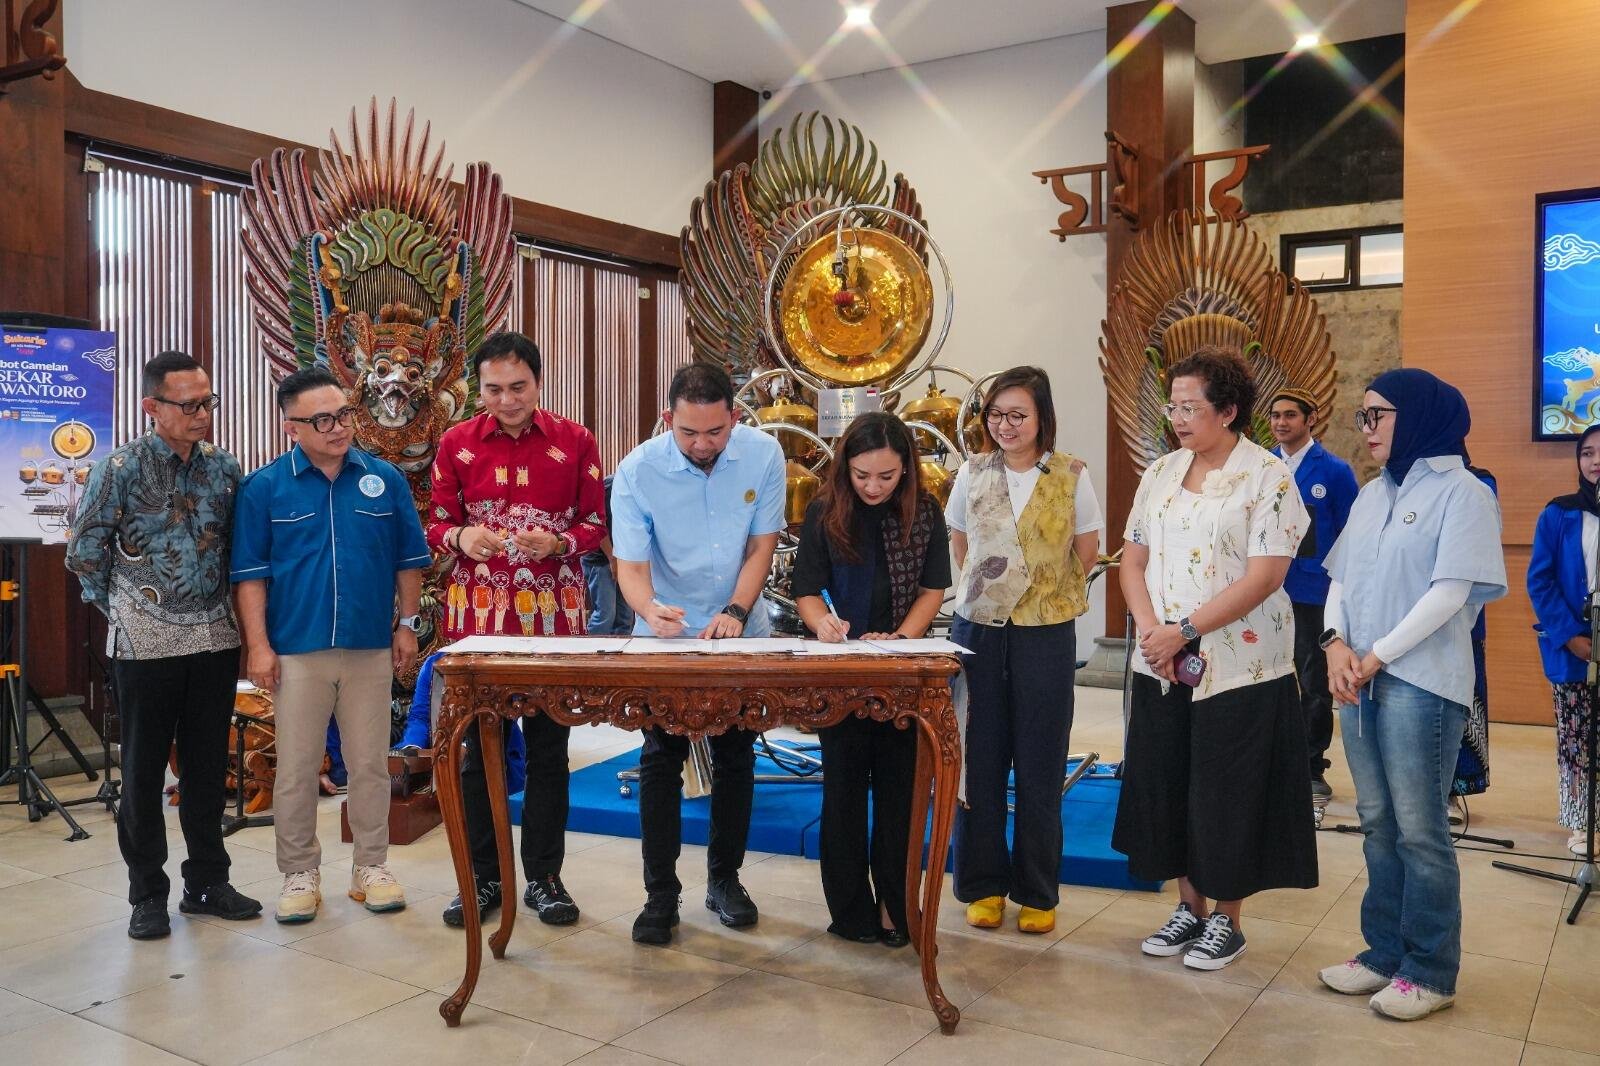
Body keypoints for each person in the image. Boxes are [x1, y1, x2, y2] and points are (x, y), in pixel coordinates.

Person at [1112, 345, 1316, 972]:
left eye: (1190, 406)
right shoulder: (1161, 473)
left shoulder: (1267, 476)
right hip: (1163, 660)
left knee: (1228, 792)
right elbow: (1132, 560)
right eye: (1172, 406)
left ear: (1228, 411)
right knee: (1170, 780)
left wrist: (1184, 630)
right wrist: (1153, 633)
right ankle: (1187, 907)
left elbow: (1266, 575)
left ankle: (1227, 919)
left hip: (1241, 663)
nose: (1177, 417)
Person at [1316, 368, 1506, 1020]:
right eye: (1362, 416)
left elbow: (1450, 593)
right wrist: (1335, 643)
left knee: (1421, 830)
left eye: (1378, 415)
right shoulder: (1372, 494)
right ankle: (1382, 954)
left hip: (1420, 683)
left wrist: (1373, 657)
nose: (1364, 428)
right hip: (1360, 677)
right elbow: (1337, 577)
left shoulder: (1465, 493)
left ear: (1419, 415)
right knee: (1377, 823)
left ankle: (1430, 968)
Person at [65, 351, 262, 940]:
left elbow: (238, 553)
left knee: (206, 769)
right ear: (152, 407)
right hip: (144, 645)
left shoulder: (225, 470)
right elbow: (84, 552)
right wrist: (128, 609)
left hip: (212, 639)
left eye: (209, 402)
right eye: (190, 404)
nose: (203, 414)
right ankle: (147, 894)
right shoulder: (118, 468)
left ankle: (207, 881)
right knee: (145, 773)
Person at [231, 365, 432, 924]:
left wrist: (406, 625)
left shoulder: (384, 479)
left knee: (369, 764)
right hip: (296, 651)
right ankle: (299, 873)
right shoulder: (265, 487)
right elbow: (251, 576)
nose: (338, 427)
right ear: (291, 427)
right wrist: (259, 647)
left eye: (343, 414)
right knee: (296, 768)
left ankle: (371, 868)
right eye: (322, 419)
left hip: (370, 647)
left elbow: (408, 562)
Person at [426, 332, 606, 928]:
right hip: (478, 614)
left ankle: (546, 877)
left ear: (537, 381)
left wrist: (558, 541)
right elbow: (436, 521)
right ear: (479, 388)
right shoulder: (455, 443)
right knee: (480, 747)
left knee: (552, 748)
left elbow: (596, 522)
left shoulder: (574, 441)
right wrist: (458, 538)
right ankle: (482, 878)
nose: (506, 400)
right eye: (493, 389)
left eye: (518, 387)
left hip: (553, 613)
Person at [611, 362, 785, 945]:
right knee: (663, 758)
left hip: (740, 623)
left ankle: (725, 879)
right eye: (690, 433)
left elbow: (762, 545)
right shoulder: (638, 470)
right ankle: (660, 895)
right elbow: (630, 566)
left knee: (737, 754)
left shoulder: (762, 455)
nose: (703, 444)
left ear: (733, 418)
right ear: (668, 420)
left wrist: (736, 611)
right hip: (668, 630)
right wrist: (650, 608)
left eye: (715, 432)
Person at [946, 366, 1102, 936]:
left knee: (1039, 764)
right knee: (978, 761)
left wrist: (1040, 596)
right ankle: (981, 886)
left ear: (1042, 419)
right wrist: (995, 592)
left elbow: (1087, 548)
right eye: (996, 415)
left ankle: (1038, 890)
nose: (1006, 425)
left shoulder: (1071, 475)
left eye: (1018, 414)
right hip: (979, 633)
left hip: (1046, 634)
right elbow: (961, 541)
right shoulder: (971, 472)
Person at [792, 413, 951, 946]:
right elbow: (808, 590)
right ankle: (850, 910)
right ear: (846, 469)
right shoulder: (824, 510)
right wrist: (823, 624)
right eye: (863, 476)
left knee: (900, 793)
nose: (874, 486)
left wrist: (904, 639)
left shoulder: (924, 512)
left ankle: (896, 907)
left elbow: (933, 588)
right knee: (842, 795)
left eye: (886, 476)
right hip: (844, 673)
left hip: (902, 672)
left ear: (906, 468)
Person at [1268, 387, 1359, 799]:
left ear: (1310, 419)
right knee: (1268, 676)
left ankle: (1311, 766)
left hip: (1313, 592)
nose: (1281, 422)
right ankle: (1270, 762)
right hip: (1265, 591)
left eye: (1290, 415)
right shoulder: (1261, 467)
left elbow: (1350, 537)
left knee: (1313, 681)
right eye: (1275, 415)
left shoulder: (1335, 472)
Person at [1528, 426, 1600, 857]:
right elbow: (1540, 581)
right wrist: (1571, 635)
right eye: (1588, 453)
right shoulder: (1558, 513)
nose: (1595, 461)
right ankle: (1581, 822)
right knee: (1577, 739)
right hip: (1575, 647)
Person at [582, 474, 636, 635]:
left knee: (625, 616)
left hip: (623, 558)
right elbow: (597, 525)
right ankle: (591, 656)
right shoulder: (610, 487)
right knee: (605, 614)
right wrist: (612, 559)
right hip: (600, 559)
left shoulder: (639, 491)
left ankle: (619, 656)